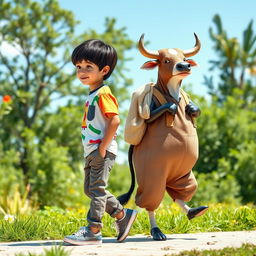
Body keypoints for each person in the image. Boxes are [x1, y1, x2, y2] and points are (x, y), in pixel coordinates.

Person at [64, 39, 137, 245]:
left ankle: (93, 230)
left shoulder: (104, 93)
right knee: (91, 189)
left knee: (96, 190)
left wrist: (102, 148)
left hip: (100, 150)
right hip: (92, 151)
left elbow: (115, 120)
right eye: (78, 67)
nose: (82, 71)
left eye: (88, 67)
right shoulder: (93, 94)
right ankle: (122, 216)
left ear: (104, 70)